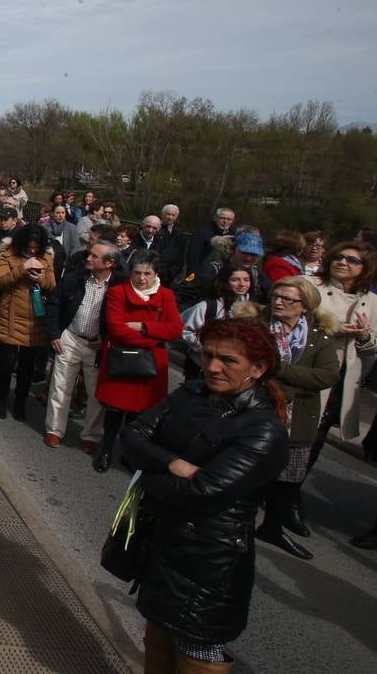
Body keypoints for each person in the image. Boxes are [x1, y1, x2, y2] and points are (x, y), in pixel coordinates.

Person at [120, 317, 289, 671]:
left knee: (196, 646)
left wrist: (146, 475)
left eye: (228, 360)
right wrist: (170, 463)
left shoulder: (264, 431)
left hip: (207, 564)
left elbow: (204, 491)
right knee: (158, 639)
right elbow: (132, 436)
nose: (213, 367)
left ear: (257, 369)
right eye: (208, 355)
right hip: (163, 543)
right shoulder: (190, 391)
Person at [253, 276, 341, 561]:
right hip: (257, 407)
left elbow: (327, 375)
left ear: (305, 305)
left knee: (289, 477)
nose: (278, 302)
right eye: (276, 296)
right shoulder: (257, 324)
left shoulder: (320, 335)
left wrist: (280, 369)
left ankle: (273, 528)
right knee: (248, 469)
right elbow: (248, 359)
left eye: (287, 299)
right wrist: (292, 377)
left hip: (298, 415)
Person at [91, 250, 180, 472]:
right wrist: (154, 339)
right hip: (122, 359)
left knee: (139, 414)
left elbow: (176, 329)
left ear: (155, 273)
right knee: (114, 411)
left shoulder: (166, 295)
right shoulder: (117, 293)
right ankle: (106, 449)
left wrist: (143, 326)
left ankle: (129, 453)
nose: (141, 278)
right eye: (137, 273)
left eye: (147, 273)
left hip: (149, 365)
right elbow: (117, 330)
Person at [43, 241, 122, 451]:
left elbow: (122, 319)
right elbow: (54, 305)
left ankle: (91, 436)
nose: (88, 258)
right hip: (69, 338)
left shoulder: (119, 286)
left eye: (95, 256)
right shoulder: (74, 279)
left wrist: (106, 339)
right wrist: (55, 334)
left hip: (96, 346)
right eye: (89, 254)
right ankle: (54, 430)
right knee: (60, 387)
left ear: (110, 263)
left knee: (95, 392)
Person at [309, 241, 376, 460]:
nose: (342, 262)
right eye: (338, 257)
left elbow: (371, 347)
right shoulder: (309, 285)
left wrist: (364, 335)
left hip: (341, 381)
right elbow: (288, 324)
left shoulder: (372, 301)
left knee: (317, 439)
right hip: (308, 370)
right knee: (293, 433)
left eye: (352, 260)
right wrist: (333, 328)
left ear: (365, 268)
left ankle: (291, 489)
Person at [0, 224, 56, 421]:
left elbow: (52, 286)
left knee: (27, 367)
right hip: (10, 315)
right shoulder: (7, 255)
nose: (33, 250)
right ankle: (0, 399)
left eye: (36, 247)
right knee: (6, 364)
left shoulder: (46, 257)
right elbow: (0, 282)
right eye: (29, 247)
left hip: (35, 318)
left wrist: (42, 278)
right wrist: (22, 269)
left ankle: (20, 401)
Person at [181, 265, 257, 381]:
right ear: (225, 282)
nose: (242, 284)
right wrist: (208, 350)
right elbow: (185, 331)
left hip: (230, 371)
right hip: (200, 368)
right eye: (235, 280)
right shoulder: (207, 307)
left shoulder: (252, 309)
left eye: (246, 280)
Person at [187, 206, 238, 273]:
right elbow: (193, 257)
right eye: (222, 218)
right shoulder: (201, 232)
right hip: (202, 273)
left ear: (233, 221)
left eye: (229, 219)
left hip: (223, 275)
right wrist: (192, 276)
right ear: (215, 218)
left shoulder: (234, 235)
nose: (225, 221)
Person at [154, 203, 188, 284]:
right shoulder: (155, 228)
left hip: (170, 274)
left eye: (173, 215)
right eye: (168, 214)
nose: (170, 217)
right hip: (156, 269)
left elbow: (181, 254)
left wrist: (175, 271)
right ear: (162, 214)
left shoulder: (179, 232)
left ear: (176, 217)